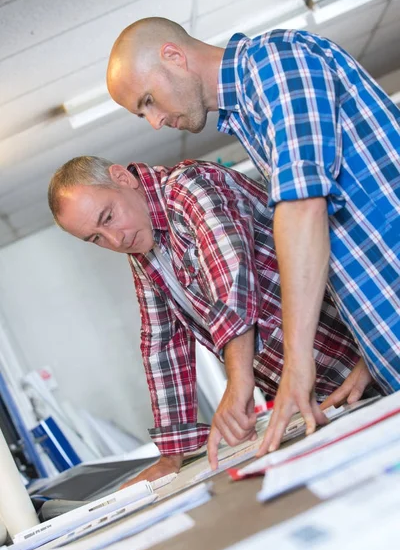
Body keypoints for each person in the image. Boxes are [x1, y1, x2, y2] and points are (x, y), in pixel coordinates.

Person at [107, 17, 400, 455]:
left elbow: (302, 208)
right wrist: (369, 352)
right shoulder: (249, 113)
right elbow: (349, 232)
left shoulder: (274, 65)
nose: (154, 122)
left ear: (173, 55)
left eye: (148, 100)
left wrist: (297, 369)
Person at [48, 156, 373, 480]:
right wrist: (171, 456)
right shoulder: (143, 246)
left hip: (369, 355)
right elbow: (163, 343)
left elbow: (230, 280)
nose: (115, 240)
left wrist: (238, 381)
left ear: (123, 177)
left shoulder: (191, 186)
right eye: (96, 238)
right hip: (323, 393)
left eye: (108, 217)